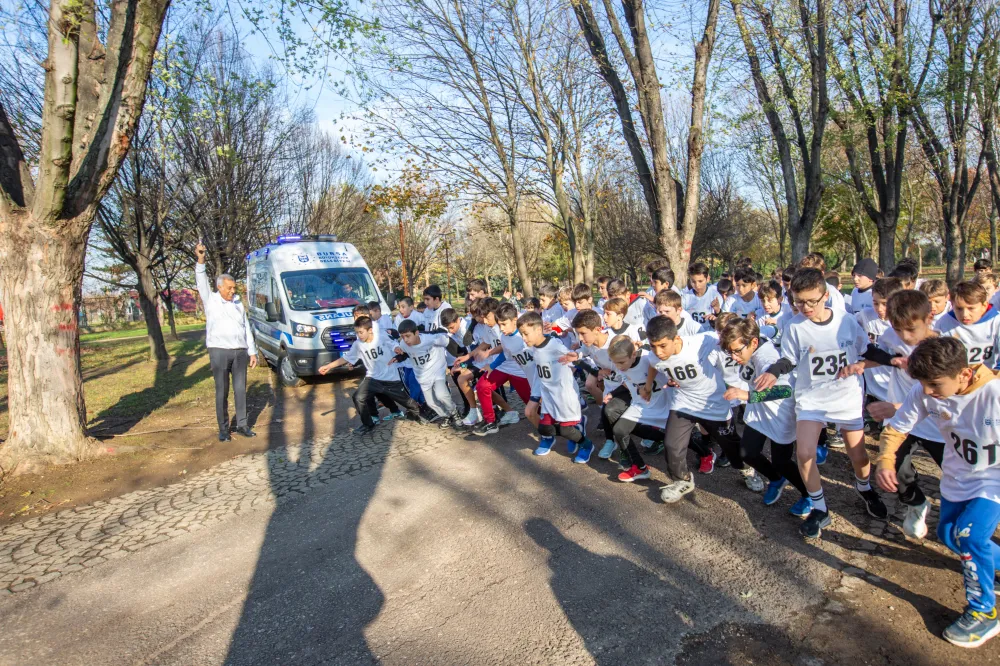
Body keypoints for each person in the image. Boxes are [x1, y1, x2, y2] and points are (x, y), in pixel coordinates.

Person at [875, 337, 1000, 648]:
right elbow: (897, 427)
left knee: (969, 536)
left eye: (935, 384)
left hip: (993, 481)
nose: (928, 392)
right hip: (958, 478)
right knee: (948, 537)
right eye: (924, 385)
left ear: (964, 375)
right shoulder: (924, 389)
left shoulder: (994, 394)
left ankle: (984, 611)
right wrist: (886, 460)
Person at [755, 268, 890, 539]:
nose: (804, 307)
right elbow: (789, 359)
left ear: (825, 296)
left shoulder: (846, 321)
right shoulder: (793, 326)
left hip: (846, 397)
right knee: (804, 454)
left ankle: (864, 488)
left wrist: (894, 359)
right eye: (798, 301)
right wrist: (773, 371)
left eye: (811, 301)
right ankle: (819, 509)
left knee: (859, 456)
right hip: (811, 398)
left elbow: (867, 351)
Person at [643, 316, 758, 502]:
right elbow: (653, 366)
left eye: (663, 346)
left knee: (730, 444)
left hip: (713, 403)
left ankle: (746, 470)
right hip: (684, 402)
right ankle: (682, 480)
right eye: (653, 345)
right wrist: (648, 387)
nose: (658, 351)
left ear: (677, 339)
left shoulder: (700, 342)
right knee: (672, 443)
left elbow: (728, 336)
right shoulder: (653, 356)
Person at [866, 289, 943, 539]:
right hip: (903, 421)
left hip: (940, 426)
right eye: (899, 330)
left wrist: (894, 407)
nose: (905, 337)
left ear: (928, 318)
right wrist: (861, 364)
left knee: (958, 480)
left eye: (911, 330)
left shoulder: (947, 346)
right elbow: (883, 355)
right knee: (894, 469)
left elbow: (942, 398)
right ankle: (916, 504)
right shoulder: (890, 335)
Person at [720, 317, 810, 513]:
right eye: (730, 352)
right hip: (759, 409)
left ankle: (809, 494)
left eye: (737, 351)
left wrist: (747, 394)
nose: (734, 357)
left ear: (753, 343)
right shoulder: (754, 338)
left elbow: (785, 391)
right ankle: (776, 480)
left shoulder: (767, 359)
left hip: (779, 413)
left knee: (782, 461)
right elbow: (769, 330)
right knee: (747, 452)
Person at [318, 316, 426, 435]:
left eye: (361, 332)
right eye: (357, 333)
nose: (359, 335)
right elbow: (346, 358)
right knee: (358, 397)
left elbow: (392, 343)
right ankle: (368, 424)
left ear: (370, 330)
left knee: (408, 402)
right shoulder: (358, 344)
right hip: (373, 379)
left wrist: (396, 348)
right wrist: (328, 366)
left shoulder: (381, 336)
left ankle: (418, 414)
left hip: (391, 378)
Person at [194, 243, 258, 442]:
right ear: (219, 287)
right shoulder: (211, 300)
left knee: (240, 389)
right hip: (219, 351)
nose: (232, 291)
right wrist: (201, 260)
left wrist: (252, 351)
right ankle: (223, 429)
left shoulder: (238, 303)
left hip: (239, 352)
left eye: (234, 287)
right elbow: (201, 281)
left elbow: (245, 326)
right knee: (222, 391)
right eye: (229, 288)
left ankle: (242, 425)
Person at [517, 311, 593, 462]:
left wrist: (595, 371)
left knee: (565, 430)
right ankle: (574, 429)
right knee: (544, 428)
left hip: (564, 395)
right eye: (522, 335)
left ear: (538, 330)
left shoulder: (554, 345)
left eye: (526, 334)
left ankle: (586, 444)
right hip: (548, 396)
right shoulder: (533, 348)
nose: (524, 338)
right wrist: (537, 395)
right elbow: (539, 371)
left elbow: (574, 358)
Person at [600, 335, 672, 482]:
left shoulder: (647, 358)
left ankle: (704, 452)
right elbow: (628, 382)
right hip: (640, 405)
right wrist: (612, 393)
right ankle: (639, 467)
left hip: (664, 403)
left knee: (676, 440)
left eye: (621, 362)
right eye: (615, 363)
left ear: (633, 354)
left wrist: (673, 380)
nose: (618, 367)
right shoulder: (622, 364)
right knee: (618, 427)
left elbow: (667, 369)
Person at [566, 309, 632, 460]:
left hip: (627, 387)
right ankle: (610, 441)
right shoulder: (589, 344)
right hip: (610, 387)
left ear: (597, 329)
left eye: (583, 333)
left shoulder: (616, 343)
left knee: (622, 419)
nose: (581, 338)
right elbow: (583, 352)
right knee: (606, 412)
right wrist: (595, 370)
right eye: (578, 334)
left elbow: (630, 369)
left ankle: (630, 448)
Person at [473, 300, 532, 435]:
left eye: (503, 324)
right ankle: (490, 422)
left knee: (532, 405)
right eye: (500, 325)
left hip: (521, 372)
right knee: (482, 386)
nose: (502, 329)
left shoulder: (524, 335)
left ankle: (557, 425)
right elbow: (505, 353)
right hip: (503, 368)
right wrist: (491, 366)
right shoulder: (504, 335)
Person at [391, 319, 463, 429]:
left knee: (441, 394)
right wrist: (398, 358)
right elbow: (407, 353)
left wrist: (463, 356)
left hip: (437, 370)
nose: (405, 339)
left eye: (408, 336)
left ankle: (455, 413)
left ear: (416, 333)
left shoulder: (430, 339)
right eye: (402, 336)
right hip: (422, 376)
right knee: (431, 403)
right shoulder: (403, 344)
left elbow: (447, 341)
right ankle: (447, 415)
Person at [934, 281, 1000, 369]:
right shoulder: (944, 323)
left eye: (971, 308)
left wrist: (993, 375)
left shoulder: (996, 321)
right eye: (959, 309)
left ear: (984, 305)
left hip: (990, 376)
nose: (965, 314)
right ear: (952, 305)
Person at [684, 262, 721, 326]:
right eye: (693, 282)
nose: (697, 285)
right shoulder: (685, 298)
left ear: (707, 279)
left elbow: (722, 321)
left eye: (700, 281)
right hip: (692, 335)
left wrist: (717, 311)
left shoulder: (715, 296)